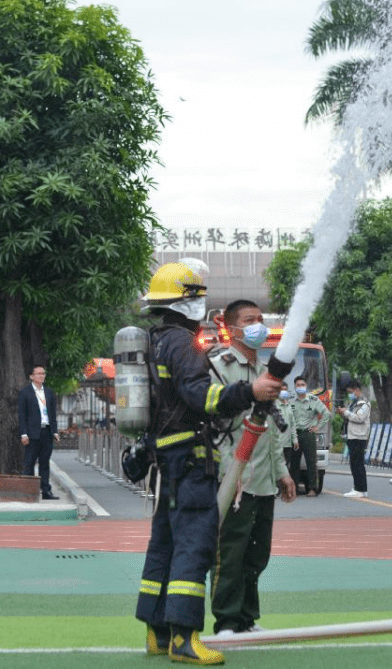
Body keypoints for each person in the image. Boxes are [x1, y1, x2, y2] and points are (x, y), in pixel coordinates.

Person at [134, 261, 281, 666]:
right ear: (188, 300)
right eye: (198, 295)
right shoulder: (181, 343)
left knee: (162, 545)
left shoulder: (154, 340)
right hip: (190, 459)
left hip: (165, 457)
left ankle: (156, 631)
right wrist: (249, 390)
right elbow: (204, 397)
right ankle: (184, 638)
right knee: (195, 547)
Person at [210, 300, 296, 637]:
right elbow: (214, 409)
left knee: (257, 553)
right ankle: (226, 621)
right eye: (249, 320)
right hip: (234, 478)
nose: (257, 324)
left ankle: (246, 617)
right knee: (230, 552)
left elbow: (272, 429)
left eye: (260, 319)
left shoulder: (264, 369)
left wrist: (282, 472)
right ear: (231, 329)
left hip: (262, 479)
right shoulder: (219, 365)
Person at [18, 365, 59, 500]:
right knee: (29, 463)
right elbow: (22, 415)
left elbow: (52, 414)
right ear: (31, 376)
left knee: (45, 463)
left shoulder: (48, 393)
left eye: (43, 373)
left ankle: (46, 491)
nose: (42, 376)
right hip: (32, 433)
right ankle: (28, 492)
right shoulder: (25, 392)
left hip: (46, 431)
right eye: (39, 373)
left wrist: (55, 431)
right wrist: (23, 433)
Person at [288, 375, 331, 497]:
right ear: (295, 387)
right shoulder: (291, 400)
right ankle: (293, 489)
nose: (300, 387)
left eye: (303, 385)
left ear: (306, 387)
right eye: (298, 385)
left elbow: (326, 414)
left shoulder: (313, 400)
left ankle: (312, 488)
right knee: (294, 463)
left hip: (309, 434)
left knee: (311, 462)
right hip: (295, 434)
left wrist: (318, 427)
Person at [337, 380, 371, 498]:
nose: (350, 395)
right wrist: (344, 412)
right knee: (354, 463)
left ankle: (360, 489)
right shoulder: (354, 403)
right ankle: (359, 487)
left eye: (351, 392)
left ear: (357, 390)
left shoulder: (364, 404)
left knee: (358, 464)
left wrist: (345, 412)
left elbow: (359, 418)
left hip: (359, 437)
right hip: (352, 436)